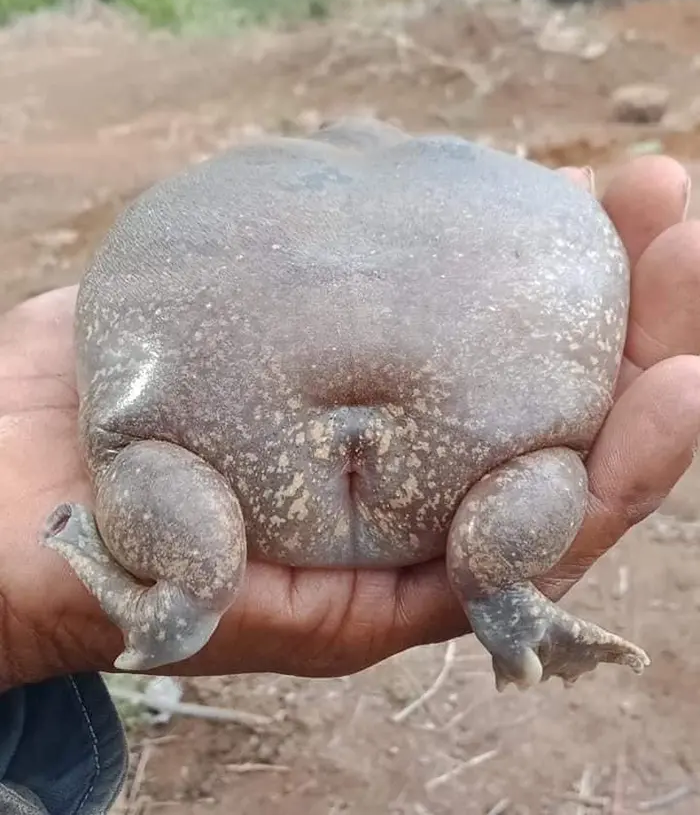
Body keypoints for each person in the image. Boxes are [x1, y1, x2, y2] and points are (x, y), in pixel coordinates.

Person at [1, 155, 699, 814]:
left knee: (180, 528)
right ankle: (503, 590)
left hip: (210, 465)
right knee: (536, 482)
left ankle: (177, 600)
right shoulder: (530, 201)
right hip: (489, 462)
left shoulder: (192, 199)